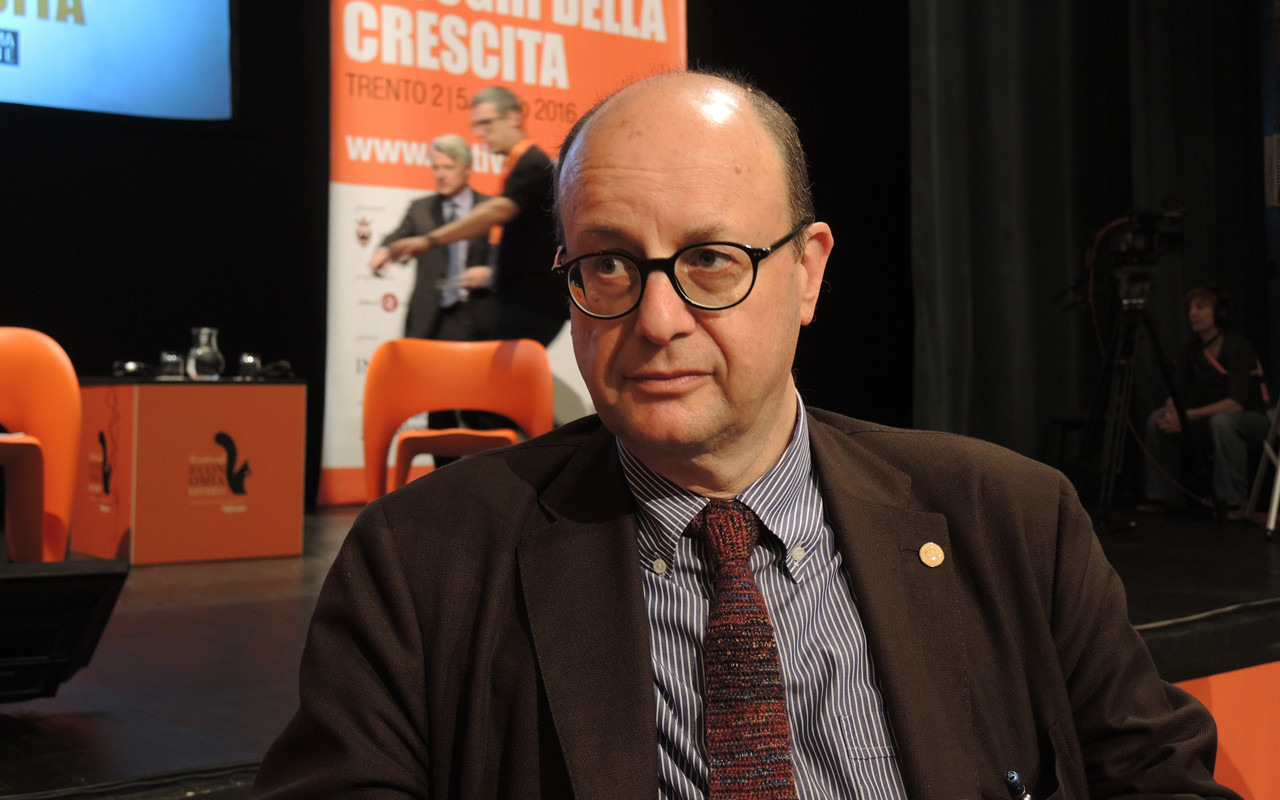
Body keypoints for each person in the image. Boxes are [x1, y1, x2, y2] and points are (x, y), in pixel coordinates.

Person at [253, 71, 1241, 799]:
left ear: (807, 271)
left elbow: (1158, 778)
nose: (657, 320)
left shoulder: (1013, 519)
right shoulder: (422, 562)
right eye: (607, 264)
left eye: (711, 260)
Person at [387, 86, 568, 347]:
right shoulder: (520, 164)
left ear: (513, 118)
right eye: (477, 125)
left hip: (533, 303)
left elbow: (496, 210)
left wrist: (429, 240)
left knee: (499, 372)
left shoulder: (532, 163)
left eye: (487, 123)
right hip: (522, 301)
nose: (480, 133)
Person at [1140, 285, 1271, 519]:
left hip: (1253, 420)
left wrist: (1185, 416)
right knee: (1156, 420)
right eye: (1191, 309)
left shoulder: (1236, 345)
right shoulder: (1192, 348)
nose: (1193, 313)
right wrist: (1171, 412)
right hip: (1210, 419)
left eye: (1200, 308)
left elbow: (1235, 404)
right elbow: (1178, 392)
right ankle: (1165, 497)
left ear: (1219, 314)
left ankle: (1232, 502)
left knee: (1223, 421)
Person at [373, 134, 496, 342]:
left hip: (476, 318)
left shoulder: (490, 208)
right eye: (436, 168)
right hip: (428, 320)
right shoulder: (420, 209)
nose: (440, 175)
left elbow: (506, 257)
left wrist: (490, 274)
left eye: (448, 167)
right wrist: (384, 251)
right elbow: (397, 236)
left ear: (467, 169)